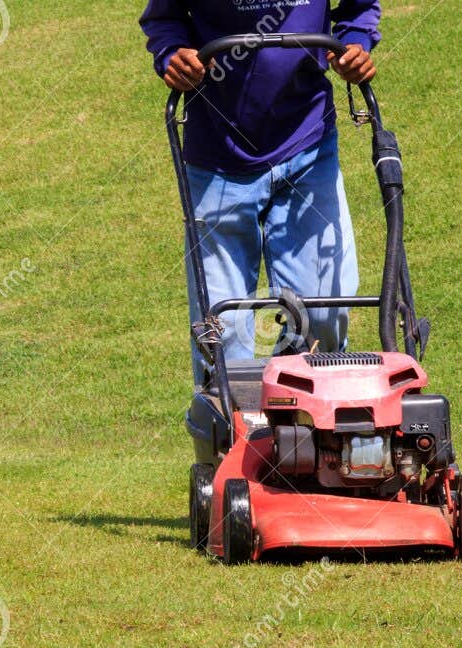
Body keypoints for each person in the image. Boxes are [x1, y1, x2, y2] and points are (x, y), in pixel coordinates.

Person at [140, 1, 381, 381]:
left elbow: (360, 8)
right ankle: (235, 417)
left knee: (323, 318)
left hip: (308, 148)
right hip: (217, 158)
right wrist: (173, 54)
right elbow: (163, 17)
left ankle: (300, 401)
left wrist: (355, 43)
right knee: (220, 335)